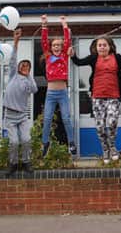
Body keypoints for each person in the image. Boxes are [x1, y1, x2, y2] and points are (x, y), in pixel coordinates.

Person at [70, 32, 121, 164]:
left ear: (110, 46)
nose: (102, 47)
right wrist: (72, 55)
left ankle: (112, 146)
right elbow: (79, 62)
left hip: (113, 97)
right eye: (99, 45)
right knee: (99, 127)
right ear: (96, 47)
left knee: (111, 123)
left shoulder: (116, 58)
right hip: (97, 97)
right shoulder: (94, 58)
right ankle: (105, 149)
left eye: (104, 45)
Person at [40, 14, 76, 156]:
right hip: (50, 94)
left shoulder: (64, 56)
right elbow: (43, 41)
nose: (57, 47)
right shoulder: (48, 56)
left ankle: (71, 142)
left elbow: (67, 41)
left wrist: (65, 25)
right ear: (51, 47)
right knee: (47, 118)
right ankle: (45, 142)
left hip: (62, 93)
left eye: (59, 45)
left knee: (66, 118)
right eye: (54, 45)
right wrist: (44, 24)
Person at [4, 29, 38, 176]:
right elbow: (13, 59)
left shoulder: (28, 81)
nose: (24, 67)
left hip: (23, 116)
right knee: (14, 142)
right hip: (10, 115)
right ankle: (12, 163)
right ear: (18, 68)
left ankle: (26, 162)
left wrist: (29, 76)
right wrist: (16, 41)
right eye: (22, 65)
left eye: (27, 66)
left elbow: (35, 89)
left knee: (26, 140)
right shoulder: (13, 75)